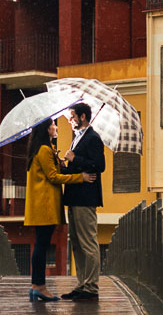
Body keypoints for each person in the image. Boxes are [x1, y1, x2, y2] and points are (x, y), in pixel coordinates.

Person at [23, 117, 96, 302]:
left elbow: (52, 172)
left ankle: (36, 285)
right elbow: (54, 177)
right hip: (45, 205)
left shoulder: (41, 149)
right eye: (53, 125)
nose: (56, 127)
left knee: (40, 244)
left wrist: (60, 161)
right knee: (41, 244)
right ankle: (39, 286)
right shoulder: (45, 150)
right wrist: (81, 177)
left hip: (40, 205)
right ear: (47, 129)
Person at [60, 102, 105, 301]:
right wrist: (64, 165)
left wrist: (74, 158)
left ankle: (91, 286)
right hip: (74, 197)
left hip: (86, 198)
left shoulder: (93, 138)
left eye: (73, 116)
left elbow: (99, 165)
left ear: (83, 116)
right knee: (77, 243)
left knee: (88, 242)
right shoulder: (77, 139)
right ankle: (81, 284)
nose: (70, 120)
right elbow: (76, 167)